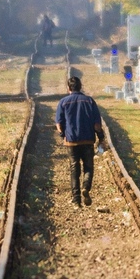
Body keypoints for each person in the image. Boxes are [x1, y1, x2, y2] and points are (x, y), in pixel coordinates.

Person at [55, 74, 105, 207]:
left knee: (74, 169)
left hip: (71, 141)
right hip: (88, 140)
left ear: (68, 88)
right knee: (88, 167)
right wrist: (101, 137)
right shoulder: (89, 101)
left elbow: (59, 125)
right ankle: (86, 187)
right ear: (80, 87)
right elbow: (97, 125)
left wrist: (63, 135)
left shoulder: (63, 102)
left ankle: (76, 200)